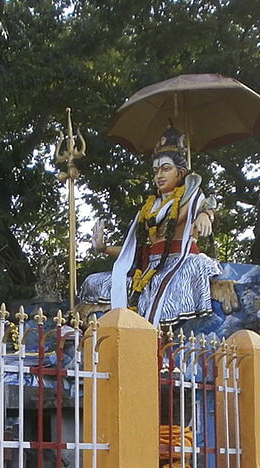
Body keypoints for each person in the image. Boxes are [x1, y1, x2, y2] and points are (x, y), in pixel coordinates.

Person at [81, 126, 221, 325]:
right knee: (93, 282)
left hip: (179, 263)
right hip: (147, 268)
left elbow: (206, 209)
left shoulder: (191, 197)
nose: (159, 176)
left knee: (176, 279)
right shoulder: (149, 207)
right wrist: (102, 248)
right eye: (156, 171)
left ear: (180, 172)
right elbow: (133, 254)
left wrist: (206, 215)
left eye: (166, 169)